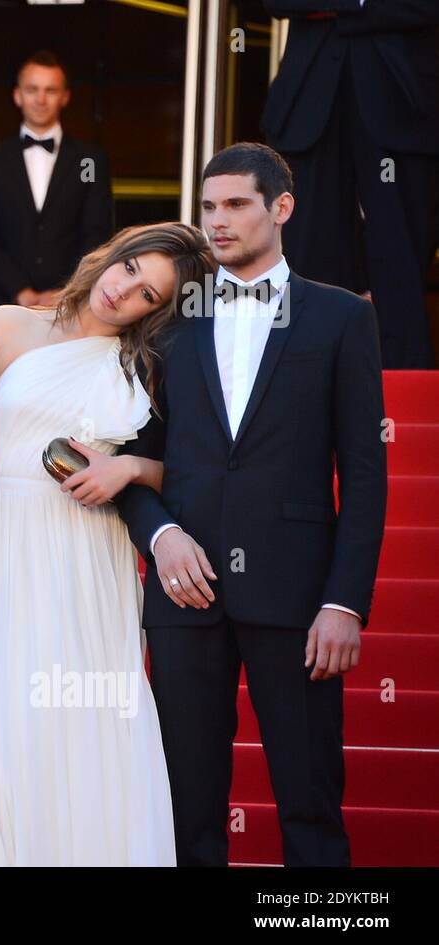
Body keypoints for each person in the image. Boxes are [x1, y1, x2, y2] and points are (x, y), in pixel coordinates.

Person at [0, 222, 214, 865]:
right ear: (113, 255)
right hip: (10, 542)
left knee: (92, 714)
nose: (124, 292)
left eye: (148, 296)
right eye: (130, 270)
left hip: (92, 552)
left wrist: (128, 469)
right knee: (10, 711)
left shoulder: (149, 362)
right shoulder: (5, 325)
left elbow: (189, 467)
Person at [117, 143, 388, 866]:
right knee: (186, 805)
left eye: (236, 204)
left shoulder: (338, 318)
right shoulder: (168, 322)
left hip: (297, 594)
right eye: (209, 207)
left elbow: (365, 473)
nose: (218, 221)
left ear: (281, 208)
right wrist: (161, 532)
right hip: (183, 590)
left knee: (309, 802)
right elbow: (130, 455)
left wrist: (345, 603)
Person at [262, 0, 439, 369]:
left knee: (400, 267)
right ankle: (305, 387)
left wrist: (339, 8)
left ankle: (401, 399)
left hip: (402, 102)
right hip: (308, 104)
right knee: (306, 262)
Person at [0, 50, 114, 318]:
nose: (41, 99)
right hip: (2, 303)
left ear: (65, 97)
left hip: (73, 305)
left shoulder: (91, 160)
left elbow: (98, 234)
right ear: (17, 95)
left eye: (51, 90)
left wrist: (65, 290)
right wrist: (21, 291)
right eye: (32, 89)